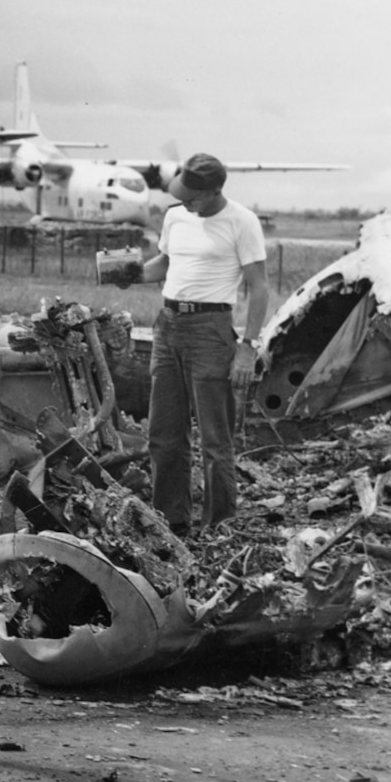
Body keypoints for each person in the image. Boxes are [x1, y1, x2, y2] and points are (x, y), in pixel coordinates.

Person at [118, 153, 267, 537]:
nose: (186, 200)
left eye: (193, 195)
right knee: (164, 433)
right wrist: (130, 273)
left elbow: (260, 287)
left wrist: (248, 347)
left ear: (215, 190)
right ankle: (171, 522)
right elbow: (164, 265)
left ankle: (219, 527)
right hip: (168, 327)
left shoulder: (242, 222)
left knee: (216, 438)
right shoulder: (175, 216)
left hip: (211, 329)